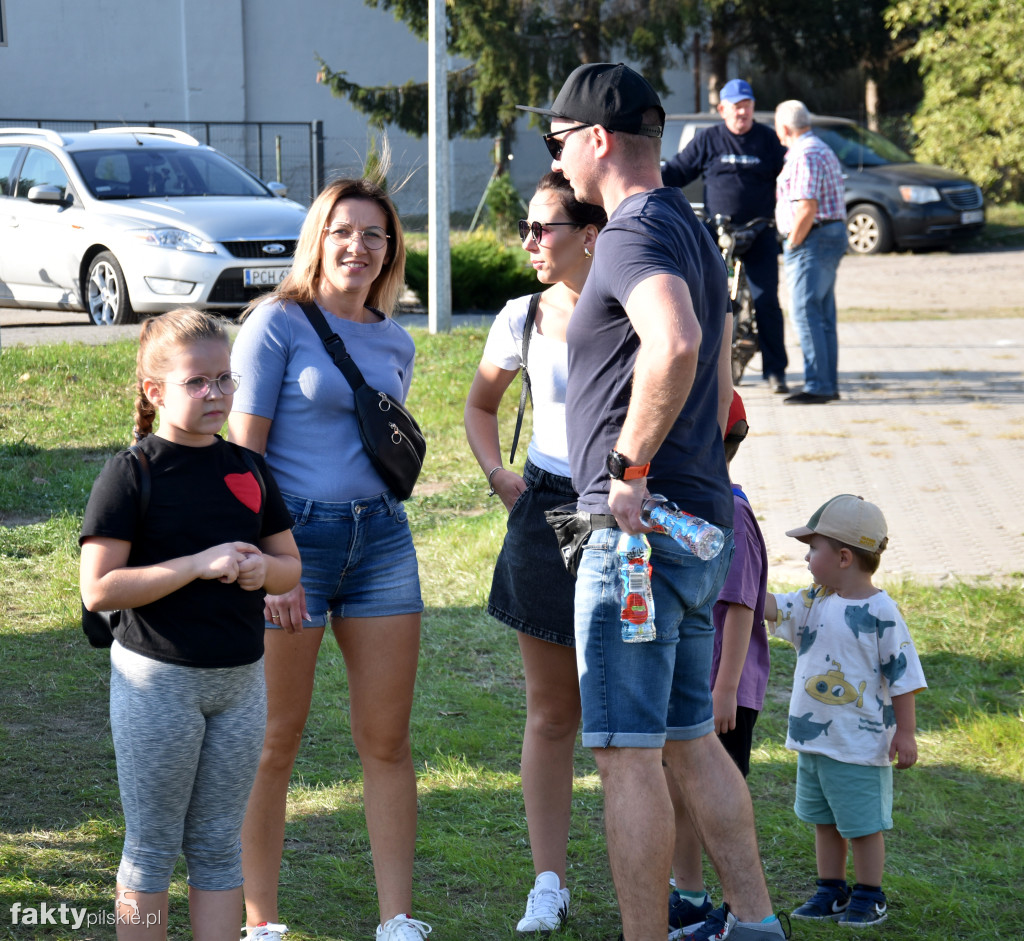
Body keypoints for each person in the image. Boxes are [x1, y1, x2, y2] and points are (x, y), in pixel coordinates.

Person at [517, 62, 787, 941]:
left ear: (597, 141)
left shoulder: (632, 231)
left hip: (637, 530)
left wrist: (630, 468)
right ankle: (753, 922)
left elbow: (674, 344)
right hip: (692, 519)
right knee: (685, 736)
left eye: (557, 143)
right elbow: (711, 366)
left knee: (625, 751)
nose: (554, 159)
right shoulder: (686, 222)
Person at [229, 175, 430, 941]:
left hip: (381, 540)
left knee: (387, 739)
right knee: (276, 736)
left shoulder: (395, 336)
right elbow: (243, 459)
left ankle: (398, 918)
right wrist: (267, 562)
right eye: (344, 230)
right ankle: (261, 919)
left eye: (374, 235)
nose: (359, 246)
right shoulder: (277, 325)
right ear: (319, 236)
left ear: (390, 250)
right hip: (293, 542)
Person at [79, 308, 302, 941]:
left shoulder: (249, 468)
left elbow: (290, 568)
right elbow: (98, 588)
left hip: (240, 684)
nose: (216, 394)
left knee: (216, 846)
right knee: (151, 847)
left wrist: (264, 571)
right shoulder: (133, 472)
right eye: (197, 382)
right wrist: (196, 565)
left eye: (225, 379)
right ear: (155, 391)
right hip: (160, 683)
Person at [464, 171, 606, 934]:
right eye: (525, 226)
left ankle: (670, 877)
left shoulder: (632, 304)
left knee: (628, 710)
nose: (527, 241)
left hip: (619, 508)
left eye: (542, 227)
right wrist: (500, 475)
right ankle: (547, 881)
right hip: (550, 505)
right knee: (553, 712)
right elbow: (481, 403)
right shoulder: (520, 316)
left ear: (590, 232)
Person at [763, 494, 926, 926]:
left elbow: (904, 676)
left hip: (859, 746)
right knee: (824, 820)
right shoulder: (816, 598)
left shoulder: (881, 613)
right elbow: (773, 607)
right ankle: (830, 890)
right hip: (815, 742)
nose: (806, 556)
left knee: (862, 825)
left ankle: (870, 894)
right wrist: (737, 582)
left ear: (843, 557)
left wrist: (905, 734)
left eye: (812, 548)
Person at [665, 391, 772, 938]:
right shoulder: (696, 506)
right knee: (677, 791)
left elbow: (741, 607)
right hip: (692, 686)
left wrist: (726, 687)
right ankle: (688, 895)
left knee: (709, 796)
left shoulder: (727, 512)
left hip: (721, 694)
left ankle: (738, 908)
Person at [662, 79, 789, 394]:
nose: (741, 112)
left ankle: (776, 372)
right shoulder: (709, 140)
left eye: (746, 105)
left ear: (753, 107)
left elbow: (789, 175)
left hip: (760, 233)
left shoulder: (768, 140)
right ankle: (703, 372)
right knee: (708, 299)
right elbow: (677, 171)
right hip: (717, 235)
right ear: (722, 110)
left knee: (767, 301)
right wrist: (647, 178)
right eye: (735, 106)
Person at [773, 100, 847, 405]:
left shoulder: (805, 154)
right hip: (826, 234)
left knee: (804, 311)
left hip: (811, 238)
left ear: (785, 127)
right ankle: (827, 382)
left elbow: (806, 206)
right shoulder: (818, 148)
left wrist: (792, 241)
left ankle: (819, 385)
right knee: (821, 312)